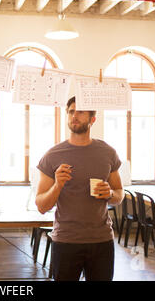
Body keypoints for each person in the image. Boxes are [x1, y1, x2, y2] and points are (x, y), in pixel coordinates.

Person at [35, 96, 124, 281]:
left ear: (92, 119)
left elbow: (119, 194)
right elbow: (42, 206)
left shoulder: (108, 153)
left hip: (101, 240)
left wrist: (110, 193)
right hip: (66, 240)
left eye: (81, 112)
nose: (74, 115)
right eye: (71, 111)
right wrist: (58, 185)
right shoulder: (52, 156)